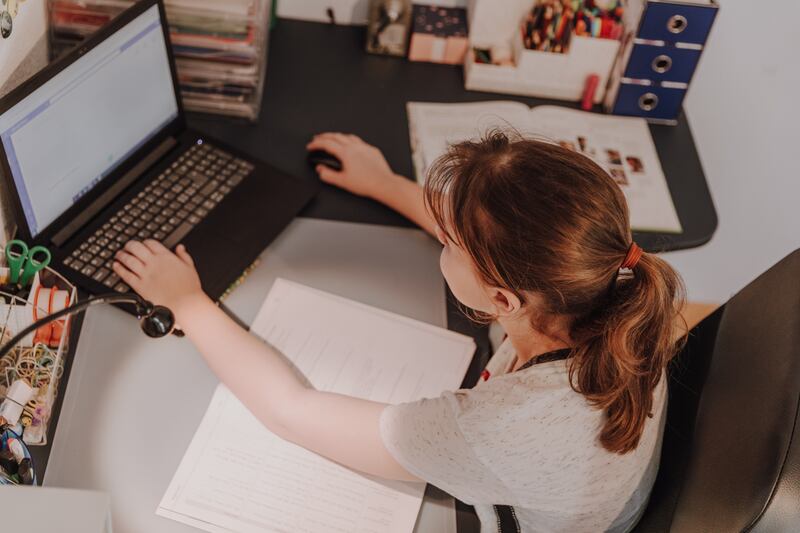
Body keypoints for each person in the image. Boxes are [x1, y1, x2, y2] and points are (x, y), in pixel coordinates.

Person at [112, 131, 686, 532]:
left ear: (503, 299)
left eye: (449, 243)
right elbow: (494, 233)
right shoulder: (615, 296)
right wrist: (385, 183)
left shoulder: (494, 428)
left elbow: (290, 409)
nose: (442, 233)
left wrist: (187, 302)